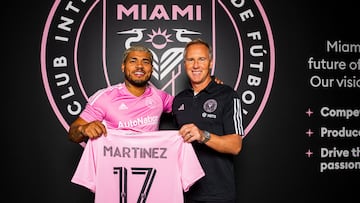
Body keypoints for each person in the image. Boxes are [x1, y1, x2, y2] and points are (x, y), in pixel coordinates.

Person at [172, 39, 244, 203]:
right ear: (185, 64)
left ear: (210, 63)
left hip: (218, 195)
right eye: (191, 60)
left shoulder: (228, 95)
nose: (196, 65)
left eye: (201, 59)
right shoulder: (179, 100)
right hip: (186, 193)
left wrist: (202, 135)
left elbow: (236, 145)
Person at [67, 45, 173, 143]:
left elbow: (185, 106)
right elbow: (73, 134)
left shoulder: (160, 97)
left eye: (145, 62)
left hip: (150, 161)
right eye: (133, 61)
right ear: (123, 67)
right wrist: (83, 129)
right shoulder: (105, 98)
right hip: (115, 161)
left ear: (152, 69)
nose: (139, 66)